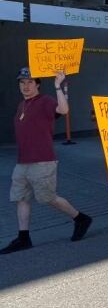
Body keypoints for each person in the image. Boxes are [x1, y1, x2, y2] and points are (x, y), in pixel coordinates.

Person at [1, 68, 92, 255]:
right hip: (22, 161)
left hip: (42, 161)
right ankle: (23, 238)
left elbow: (64, 110)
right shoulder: (22, 105)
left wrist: (57, 86)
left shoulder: (45, 101)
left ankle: (80, 218)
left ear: (37, 85)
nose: (25, 86)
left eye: (30, 82)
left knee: (48, 198)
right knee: (21, 198)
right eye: (22, 83)